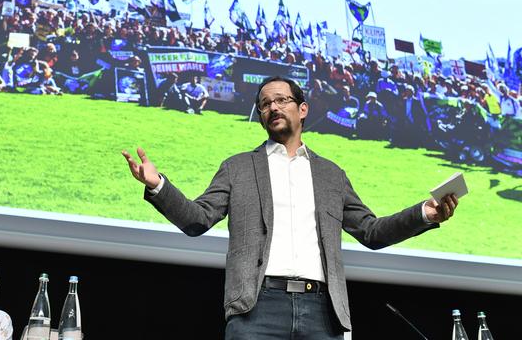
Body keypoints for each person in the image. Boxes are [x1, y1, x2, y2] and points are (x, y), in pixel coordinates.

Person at [122, 76, 459, 339]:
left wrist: (424, 214)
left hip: (323, 314)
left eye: (281, 100)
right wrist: (157, 185)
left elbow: (371, 232)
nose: (273, 107)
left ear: (302, 109)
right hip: (256, 310)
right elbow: (197, 219)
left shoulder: (331, 174)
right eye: (265, 103)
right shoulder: (237, 167)